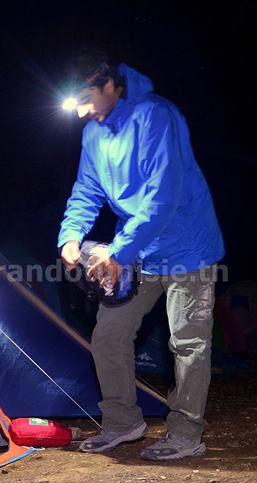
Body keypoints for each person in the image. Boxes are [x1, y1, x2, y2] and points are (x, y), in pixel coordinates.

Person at [57, 51, 225, 460]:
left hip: (189, 249)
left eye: (86, 98)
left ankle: (186, 434)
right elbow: (87, 190)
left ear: (111, 85)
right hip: (136, 252)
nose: (81, 111)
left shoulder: (156, 117)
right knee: (109, 334)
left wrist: (119, 252)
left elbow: (161, 197)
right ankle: (122, 422)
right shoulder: (94, 132)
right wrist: (70, 235)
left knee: (187, 344)